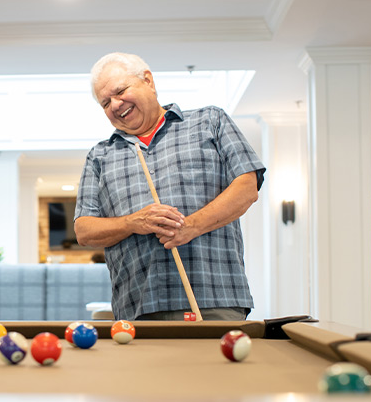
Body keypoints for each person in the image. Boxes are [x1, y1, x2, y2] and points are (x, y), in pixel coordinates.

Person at [74, 52, 265, 321]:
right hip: (138, 309)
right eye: (105, 102)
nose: (115, 105)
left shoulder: (210, 121)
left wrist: (191, 226)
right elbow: (84, 229)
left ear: (148, 81)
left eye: (120, 91)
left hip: (215, 298)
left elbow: (247, 186)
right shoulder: (100, 155)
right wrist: (133, 222)